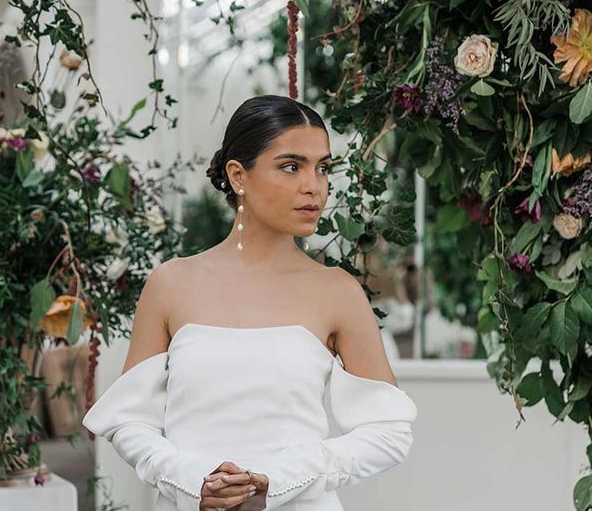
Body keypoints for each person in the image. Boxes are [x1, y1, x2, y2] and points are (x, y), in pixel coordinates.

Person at [83, 94, 418, 511]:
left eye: (323, 168)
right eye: (291, 166)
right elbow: (129, 418)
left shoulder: (338, 291)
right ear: (238, 176)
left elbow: (388, 430)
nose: (314, 185)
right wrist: (192, 480)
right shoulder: (171, 284)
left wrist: (282, 479)